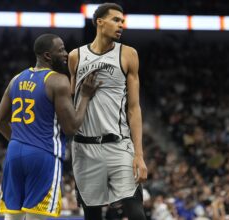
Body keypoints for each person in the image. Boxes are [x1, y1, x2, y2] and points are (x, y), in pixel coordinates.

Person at [0, 34, 100, 220]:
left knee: (13, 217)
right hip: (42, 154)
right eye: (61, 50)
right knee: (38, 217)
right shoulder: (58, 80)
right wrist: (85, 96)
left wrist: (22, 142)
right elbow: (72, 127)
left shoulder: (16, 79)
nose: (66, 54)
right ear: (47, 56)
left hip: (14, 152)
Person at [68, 3, 148, 220]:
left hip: (118, 144)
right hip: (84, 148)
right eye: (116, 20)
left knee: (136, 212)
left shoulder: (129, 54)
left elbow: (134, 108)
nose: (121, 25)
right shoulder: (76, 56)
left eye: (122, 21)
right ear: (99, 22)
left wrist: (139, 155)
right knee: (92, 215)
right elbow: (70, 104)